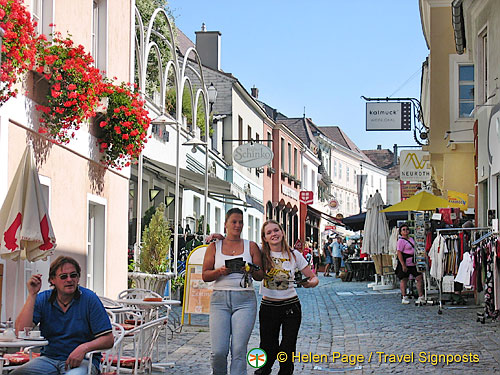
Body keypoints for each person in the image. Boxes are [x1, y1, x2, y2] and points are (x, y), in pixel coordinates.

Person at [12, 256, 113, 375]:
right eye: (63, 276)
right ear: (53, 280)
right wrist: (32, 295)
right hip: (49, 359)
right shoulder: (44, 299)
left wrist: (83, 348)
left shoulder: (89, 299)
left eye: (73, 275)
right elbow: (21, 331)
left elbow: (108, 339)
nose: (69, 280)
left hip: (83, 361)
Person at [202, 208, 264, 375]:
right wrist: (219, 272)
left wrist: (250, 269)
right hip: (220, 300)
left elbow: (260, 275)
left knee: (238, 350)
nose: (238, 225)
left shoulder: (250, 246)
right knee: (219, 351)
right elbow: (205, 275)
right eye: (234, 222)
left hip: (245, 300)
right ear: (226, 224)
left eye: (240, 222)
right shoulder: (215, 246)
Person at [255, 220, 319, 375]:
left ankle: (285, 372)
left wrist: (309, 283)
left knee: (287, 347)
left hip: (291, 306)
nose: (273, 234)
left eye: (276, 230)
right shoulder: (260, 252)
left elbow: (313, 277)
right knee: (267, 346)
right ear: (264, 237)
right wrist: (219, 237)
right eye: (269, 232)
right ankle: (264, 370)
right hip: (268, 306)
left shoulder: (294, 254)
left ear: (282, 232)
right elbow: (238, 244)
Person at [395, 224, 425, 305]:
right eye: (403, 230)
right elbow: (399, 253)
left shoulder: (411, 239)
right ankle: (404, 296)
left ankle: (420, 296)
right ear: (401, 232)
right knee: (404, 279)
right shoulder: (400, 241)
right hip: (406, 262)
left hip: (414, 262)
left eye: (407, 229)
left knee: (419, 277)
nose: (406, 231)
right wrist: (403, 264)